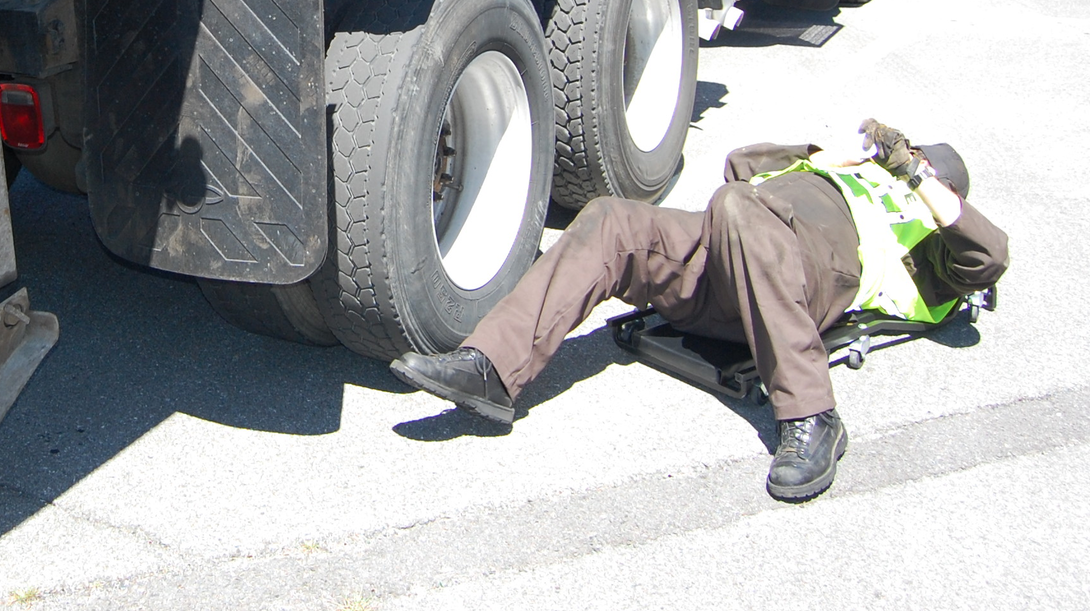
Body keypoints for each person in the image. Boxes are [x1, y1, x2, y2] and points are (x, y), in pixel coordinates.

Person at [390, 120, 1009, 502]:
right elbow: (743, 163)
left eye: (916, 165)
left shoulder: (923, 238)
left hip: (805, 277)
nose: (896, 165)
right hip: (727, 254)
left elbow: (989, 256)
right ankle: (493, 368)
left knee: (737, 206)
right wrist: (833, 155)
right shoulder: (842, 174)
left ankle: (814, 416)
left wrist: (915, 178)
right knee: (613, 220)